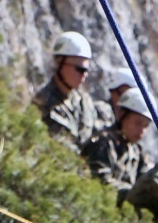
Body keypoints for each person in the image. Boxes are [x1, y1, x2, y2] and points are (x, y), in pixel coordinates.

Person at [32, 31, 106, 161]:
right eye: (79, 69)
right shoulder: (42, 104)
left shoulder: (85, 102)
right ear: (59, 63)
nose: (84, 75)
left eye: (86, 71)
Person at [88, 85, 151, 196]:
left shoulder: (138, 152)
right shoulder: (103, 143)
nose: (141, 131)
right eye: (137, 123)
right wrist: (132, 195)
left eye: (145, 126)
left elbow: (147, 181)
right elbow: (100, 181)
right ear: (122, 115)